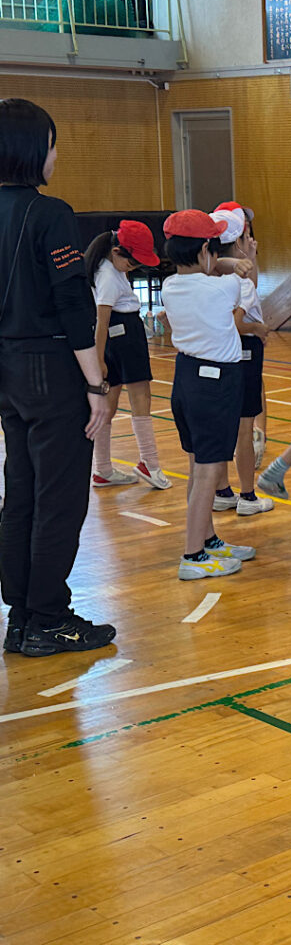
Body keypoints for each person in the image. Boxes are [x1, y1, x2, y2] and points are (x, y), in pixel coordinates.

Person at [0, 98, 116, 656]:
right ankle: (48, 617)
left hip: (7, 370)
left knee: (21, 491)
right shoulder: (49, 214)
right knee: (60, 498)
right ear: (31, 149)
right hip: (50, 369)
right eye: (51, 144)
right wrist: (95, 384)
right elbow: (72, 302)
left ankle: (22, 616)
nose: (55, 156)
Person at [161, 210, 257, 580]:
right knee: (208, 470)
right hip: (215, 384)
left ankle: (208, 539)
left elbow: (214, 268)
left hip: (186, 377)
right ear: (205, 250)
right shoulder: (223, 288)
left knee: (198, 467)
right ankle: (193, 555)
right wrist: (239, 260)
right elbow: (242, 276)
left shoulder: (170, 286)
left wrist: (222, 261)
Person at [85, 219, 171, 490]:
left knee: (110, 404)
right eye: (132, 263)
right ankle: (149, 462)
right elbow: (101, 321)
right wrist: (98, 360)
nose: (133, 268)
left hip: (117, 336)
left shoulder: (107, 266)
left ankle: (102, 469)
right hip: (125, 336)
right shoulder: (109, 276)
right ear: (116, 252)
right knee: (140, 396)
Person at [207, 208, 274, 516]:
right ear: (239, 242)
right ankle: (248, 495)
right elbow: (234, 323)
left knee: (221, 424)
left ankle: (222, 490)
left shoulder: (206, 278)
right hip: (243, 351)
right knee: (243, 429)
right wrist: (257, 328)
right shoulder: (238, 283)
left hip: (214, 354)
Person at [215, 200, 266, 466]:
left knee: (253, 392)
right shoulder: (233, 281)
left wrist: (251, 259)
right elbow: (237, 317)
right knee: (243, 411)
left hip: (224, 348)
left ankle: (257, 436)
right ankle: (248, 444)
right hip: (241, 342)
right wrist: (257, 327)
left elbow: (251, 288)